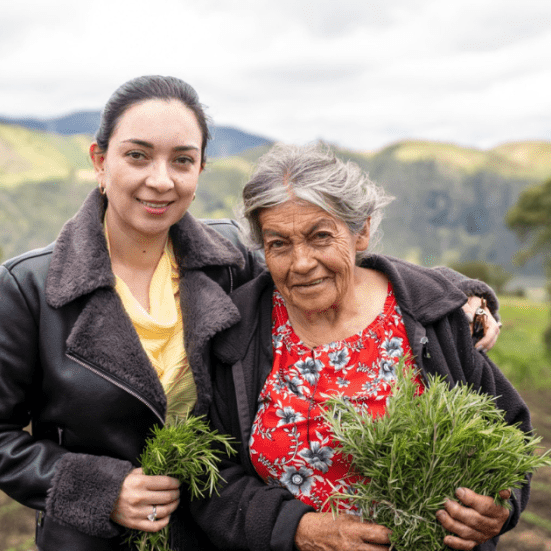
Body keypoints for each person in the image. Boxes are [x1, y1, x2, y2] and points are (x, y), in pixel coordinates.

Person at [0, 76, 501, 550]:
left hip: (213, 535)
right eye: (137, 155)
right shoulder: (30, 286)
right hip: (96, 539)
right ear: (100, 161)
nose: (161, 179)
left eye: (182, 160)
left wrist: (460, 293)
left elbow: (331, 256)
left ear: (200, 169)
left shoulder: (229, 261)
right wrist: (102, 489)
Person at [193, 143, 529, 551]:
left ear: (361, 232)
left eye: (320, 237)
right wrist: (297, 529)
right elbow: (210, 478)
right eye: (279, 244)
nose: (301, 262)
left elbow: (508, 434)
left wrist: (499, 507)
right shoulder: (237, 333)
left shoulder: (430, 315)